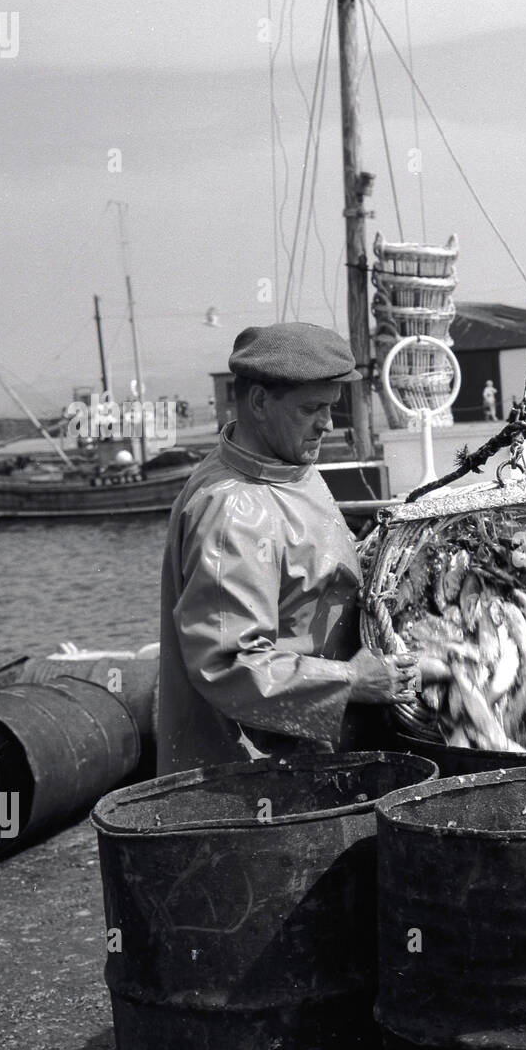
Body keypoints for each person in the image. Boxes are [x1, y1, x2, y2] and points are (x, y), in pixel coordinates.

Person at [157, 322, 418, 775]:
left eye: (330, 408)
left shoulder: (289, 461)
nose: (327, 424)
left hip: (314, 745)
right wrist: (351, 680)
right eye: (311, 408)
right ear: (259, 402)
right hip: (251, 780)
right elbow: (229, 664)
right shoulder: (233, 513)